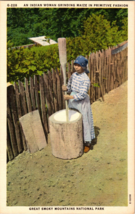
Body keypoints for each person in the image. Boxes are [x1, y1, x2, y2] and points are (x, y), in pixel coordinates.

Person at [62, 55, 95, 153]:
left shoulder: (85, 79)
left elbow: (82, 94)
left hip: (81, 102)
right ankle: (77, 138)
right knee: (74, 119)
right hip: (73, 100)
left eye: (79, 65)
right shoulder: (73, 75)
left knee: (84, 121)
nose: (76, 67)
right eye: (75, 65)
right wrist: (66, 89)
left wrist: (70, 97)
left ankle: (87, 142)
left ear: (83, 67)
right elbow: (70, 87)